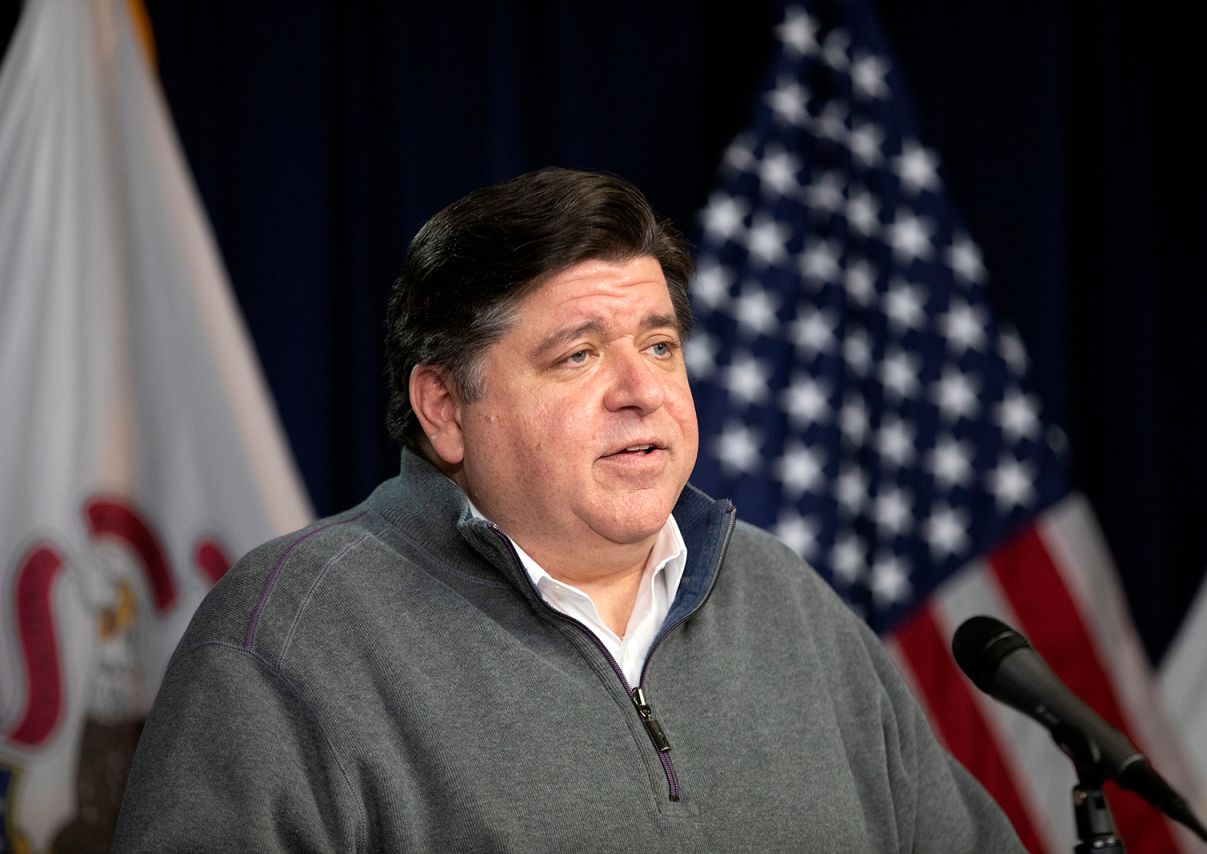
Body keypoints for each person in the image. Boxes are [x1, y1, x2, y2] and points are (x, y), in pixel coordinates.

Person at [113, 167, 1024, 852]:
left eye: (660, 346)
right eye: (578, 357)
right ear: (445, 408)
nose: (642, 391)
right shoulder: (294, 640)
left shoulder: (791, 609)